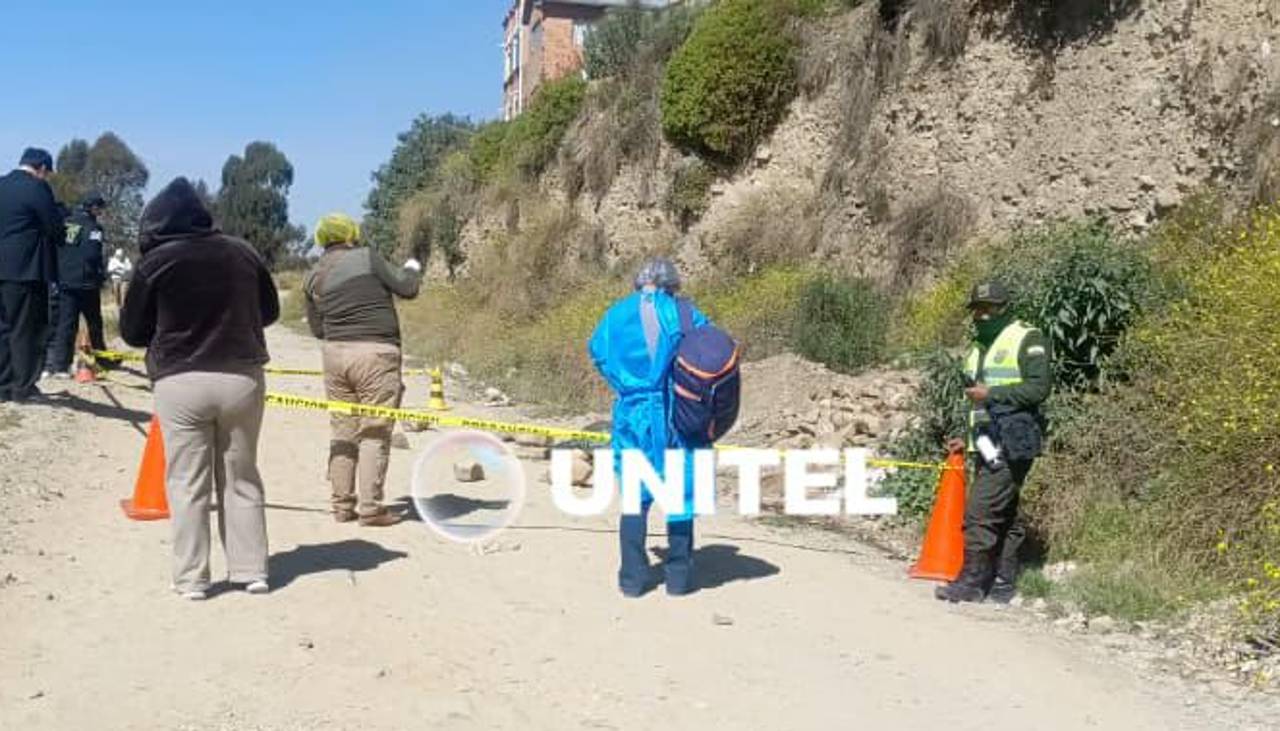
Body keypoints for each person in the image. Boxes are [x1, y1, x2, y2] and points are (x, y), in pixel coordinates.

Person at [120, 177, 279, 601]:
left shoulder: (156, 262)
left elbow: (132, 332)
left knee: (187, 481)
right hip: (242, 377)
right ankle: (252, 571)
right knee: (241, 475)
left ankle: (192, 579)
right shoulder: (242, 252)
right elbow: (270, 311)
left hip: (179, 380)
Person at [588, 257, 712, 597]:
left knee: (634, 498)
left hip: (633, 413)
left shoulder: (614, 315)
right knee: (680, 494)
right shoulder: (684, 312)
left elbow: (596, 351)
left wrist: (624, 382)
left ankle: (632, 579)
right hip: (677, 413)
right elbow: (709, 355)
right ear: (672, 284)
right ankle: (678, 579)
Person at [936, 281, 1051, 604]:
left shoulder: (1027, 337)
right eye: (978, 309)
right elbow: (976, 403)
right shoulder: (975, 348)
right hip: (984, 439)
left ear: (1004, 308)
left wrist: (993, 394)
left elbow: (1038, 389)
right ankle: (1002, 581)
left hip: (1014, 438)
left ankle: (972, 582)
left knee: (980, 510)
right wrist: (966, 438)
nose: (983, 315)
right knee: (1006, 510)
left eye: (989, 308)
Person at [303, 213, 421, 527]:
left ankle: (342, 506)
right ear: (352, 235)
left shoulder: (313, 275)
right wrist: (413, 267)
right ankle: (371, 508)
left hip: (334, 356)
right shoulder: (366, 258)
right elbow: (407, 288)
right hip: (376, 354)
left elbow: (317, 329)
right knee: (374, 431)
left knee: (342, 430)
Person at [0, 148, 64, 402]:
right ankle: (23, 386)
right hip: (26, 270)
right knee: (26, 329)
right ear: (42, 168)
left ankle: (2, 385)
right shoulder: (37, 188)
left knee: (2, 327)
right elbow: (54, 228)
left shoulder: (2, 184)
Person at [44, 191, 108, 379]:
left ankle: (61, 366)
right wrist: (99, 275)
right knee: (94, 322)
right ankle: (102, 360)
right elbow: (93, 254)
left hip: (65, 281)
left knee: (66, 324)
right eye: (100, 209)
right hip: (86, 282)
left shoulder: (64, 223)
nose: (101, 212)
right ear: (94, 208)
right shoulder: (94, 228)